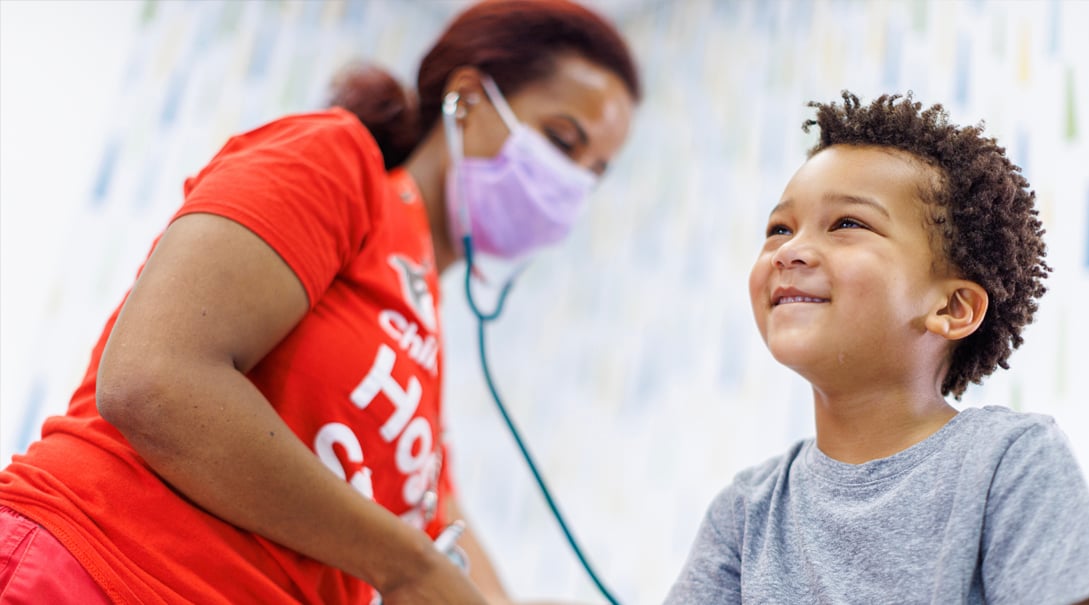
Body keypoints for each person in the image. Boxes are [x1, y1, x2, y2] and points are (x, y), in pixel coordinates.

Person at [0, 1, 639, 603]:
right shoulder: (338, 162)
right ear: (468, 99)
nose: (573, 182)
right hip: (96, 570)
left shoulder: (422, 344)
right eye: (562, 141)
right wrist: (405, 566)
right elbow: (153, 378)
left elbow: (445, 537)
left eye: (595, 170)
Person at [664, 91, 1089, 605]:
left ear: (953, 308)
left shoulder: (1009, 461)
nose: (789, 251)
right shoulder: (746, 513)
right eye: (779, 228)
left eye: (847, 224)